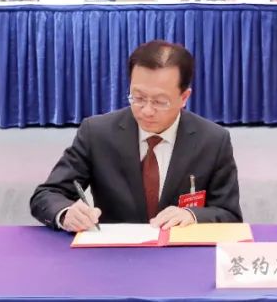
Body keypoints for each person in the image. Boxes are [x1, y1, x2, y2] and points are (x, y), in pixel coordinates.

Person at [31, 40, 242, 232]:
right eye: (138, 97)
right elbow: (47, 195)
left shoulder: (213, 140)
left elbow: (229, 214)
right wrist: (66, 213)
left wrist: (192, 215)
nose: (147, 111)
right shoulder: (97, 133)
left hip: (179, 251)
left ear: (184, 97)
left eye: (160, 101)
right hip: (116, 253)